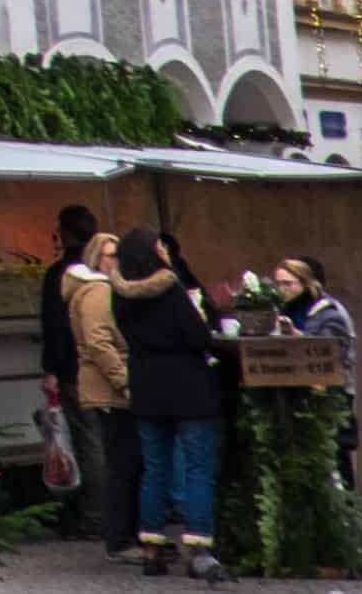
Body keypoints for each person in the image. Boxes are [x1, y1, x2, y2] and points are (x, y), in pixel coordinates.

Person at [111, 229, 224, 581]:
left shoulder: (119, 294)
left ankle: (151, 548)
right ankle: (198, 546)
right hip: (187, 387)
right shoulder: (170, 289)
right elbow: (198, 337)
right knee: (196, 468)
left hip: (146, 386)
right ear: (152, 252)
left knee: (154, 469)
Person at [60, 218, 142, 557]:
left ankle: (125, 534)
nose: (114, 261)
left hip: (107, 384)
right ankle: (120, 538)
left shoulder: (103, 288)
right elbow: (98, 341)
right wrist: (124, 380)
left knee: (124, 460)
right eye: (108, 255)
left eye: (117, 254)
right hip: (109, 388)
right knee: (121, 461)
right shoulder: (97, 290)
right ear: (96, 258)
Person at [269, 256, 357, 488]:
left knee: (335, 453)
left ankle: (343, 507)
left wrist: (296, 336)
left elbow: (330, 352)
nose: (282, 289)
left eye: (288, 283)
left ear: (305, 282)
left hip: (331, 393)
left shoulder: (328, 311)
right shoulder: (285, 309)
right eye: (278, 284)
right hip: (298, 391)